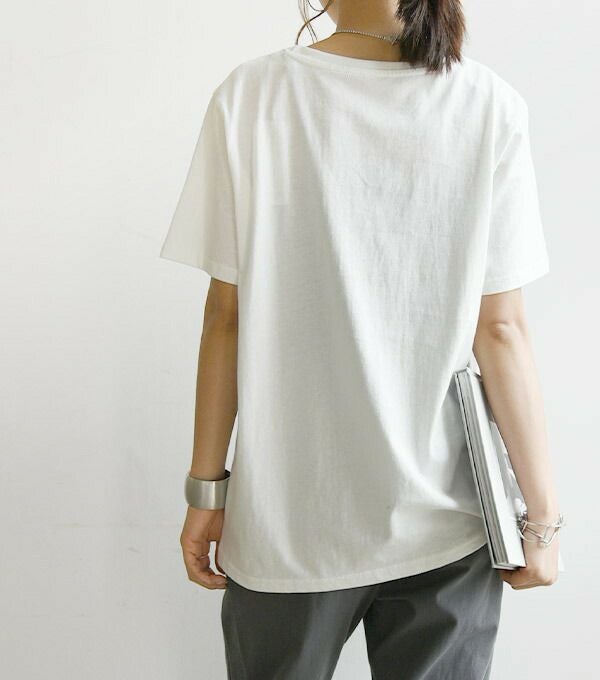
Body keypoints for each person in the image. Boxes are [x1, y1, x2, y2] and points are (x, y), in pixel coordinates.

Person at [159, 1, 564, 677]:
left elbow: (226, 318)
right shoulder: (487, 104)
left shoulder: (254, 96)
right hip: (447, 522)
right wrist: (541, 520)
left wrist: (208, 492)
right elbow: (500, 329)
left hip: (287, 522)